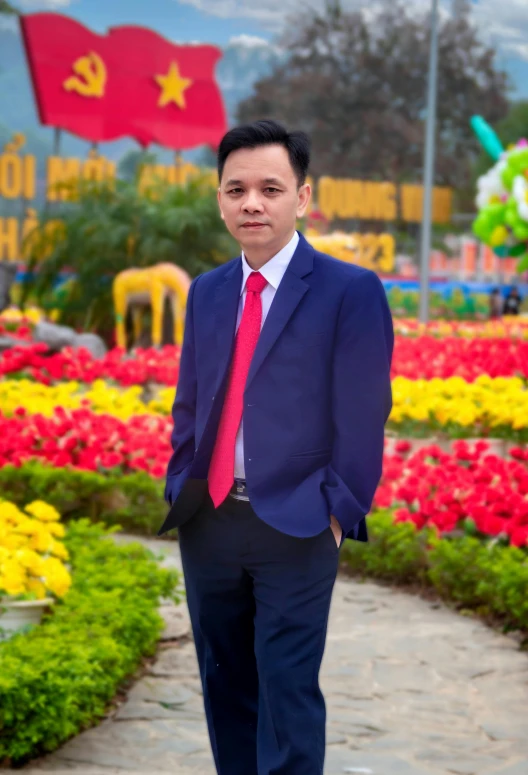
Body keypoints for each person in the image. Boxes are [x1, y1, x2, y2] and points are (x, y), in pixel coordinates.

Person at [158, 119, 394, 775]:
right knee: (225, 688)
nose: (252, 203)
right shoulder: (206, 291)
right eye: (236, 189)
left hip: (298, 522)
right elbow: (190, 402)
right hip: (210, 522)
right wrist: (183, 482)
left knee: (286, 694)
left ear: (303, 197)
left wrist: (337, 510)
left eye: (270, 187)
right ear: (220, 198)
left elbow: (364, 410)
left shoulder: (349, 291)